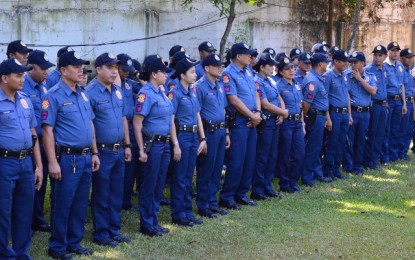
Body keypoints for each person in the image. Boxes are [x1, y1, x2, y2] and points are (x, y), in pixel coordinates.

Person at [42, 51, 99, 259]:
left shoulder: (82, 93)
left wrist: (94, 152)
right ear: (63, 70)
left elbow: (90, 124)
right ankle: (57, 246)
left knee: (80, 203)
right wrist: (52, 162)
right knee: (63, 203)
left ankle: (74, 242)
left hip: (85, 157)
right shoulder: (53, 95)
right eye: (76, 67)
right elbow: (47, 130)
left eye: (81, 66)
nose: (80, 70)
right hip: (67, 159)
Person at [87, 52, 132, 247]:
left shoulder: (118, 90)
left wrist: (127, 144)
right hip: (103, 151)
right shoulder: (89, 92)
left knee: (116, 192)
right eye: (110, 68)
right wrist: (95, 151)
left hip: (119, 150)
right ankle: (102, 233)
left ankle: (114, 229)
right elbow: (90, 125)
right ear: (98, 69)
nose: (115, 72)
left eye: (116, 68)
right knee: (102, 193)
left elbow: (123, 119)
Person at [0, 58, 42, 260]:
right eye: (18, 75)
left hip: (26, 162)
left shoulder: (25, 99)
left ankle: (21, 252)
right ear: (4, 78)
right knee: (3, 211)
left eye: (23, 74)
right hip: (4, 162)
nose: (23, 79)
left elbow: (33, 131)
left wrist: (39, 166)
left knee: (25, 210)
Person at [133, 54, 174, 237]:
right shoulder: (145, 94)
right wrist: (141, 149)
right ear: (153, 74)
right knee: (149, 184)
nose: (166, 74)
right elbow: (137, 122)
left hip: (164, 144)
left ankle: (154, 220)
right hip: (153, 144)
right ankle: (146, 223)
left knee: (158, 184)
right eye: (162, 71)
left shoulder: (161, 92)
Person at [219, 42, 261, 209]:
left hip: (252, 119)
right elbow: (233, 100)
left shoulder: (248, 71)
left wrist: (257, 112)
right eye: (248, 54)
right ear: (238, 56)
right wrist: (252, 115)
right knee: (237, 159)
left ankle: (241, 193)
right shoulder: (228, 74)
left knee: (249, 158)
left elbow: (256, 93)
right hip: (239, 121)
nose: (251, 57)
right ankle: (227, 196)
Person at [168, 58, 207, 226]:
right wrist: (175, 143)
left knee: (189, 175)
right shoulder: (174, 92)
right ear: (182, 75)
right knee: (180, 177)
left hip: (193, 136)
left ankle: (187, 212)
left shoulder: (192, 91)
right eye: (192, 72)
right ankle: (179, 214)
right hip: (182, 135)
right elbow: (171, 119)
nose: (195, 74)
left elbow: (198, 115)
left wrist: (202, 138)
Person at [194, 54, 230, 218]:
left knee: (217, 169)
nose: (220, 68)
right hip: (209, 131)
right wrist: (202, 138)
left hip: (221, 130)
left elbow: (223, 110)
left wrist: (227, 131)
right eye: (216, 65)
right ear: (207, 68)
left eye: (220, 65)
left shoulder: (220, 85)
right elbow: (196, 113)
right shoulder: (199, 87)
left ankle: (212, 203)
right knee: (207, 168)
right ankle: (203, 204)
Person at [23, 50, 55, 233]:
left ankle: (38, 218)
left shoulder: (43, 85)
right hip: (30, 142)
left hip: (45, 141)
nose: (46, 72)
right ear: (31, 68)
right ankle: (27, 221)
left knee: (41, 183)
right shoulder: (23, 87)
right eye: (42, 69)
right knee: (30, 183)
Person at [252, 53, 288, 199]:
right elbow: (265, 103)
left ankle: (267, 185)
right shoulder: (257, 81)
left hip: (275, 120)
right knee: (263, 156)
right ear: (261, 67)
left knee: (272, 155)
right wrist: (283, 112)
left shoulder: (271, 81)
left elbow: (279, 97)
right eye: (270, 65)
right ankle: (258, 189)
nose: (273, 67)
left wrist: (282, 112)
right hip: (266, 122)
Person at [343, 51, 376, 175]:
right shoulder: (346, 75)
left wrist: (360, 79)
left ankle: (358, 165)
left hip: (365, 113)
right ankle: (348, 165)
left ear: (363, 63)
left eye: (355, 62)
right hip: (353, 112)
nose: (352, 65)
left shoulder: (370, 75)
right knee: (349, 140)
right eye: (351, 62)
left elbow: (373, 91)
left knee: (361, 140)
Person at [301, 53, 332, 186]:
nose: (328, 64)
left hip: (320, 115)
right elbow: (306, 104)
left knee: (317, 147)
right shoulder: (312, 81)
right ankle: (307, 177)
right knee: (313, 147)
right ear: (320, 64)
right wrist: (308, 118)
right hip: (314, 117)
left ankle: (316, 173)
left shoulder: (318, 78)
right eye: (326, 62)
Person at [276, 56, 305, 193]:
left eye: (292, 68)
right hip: (286, 123)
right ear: (280, 72)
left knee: (299, 153)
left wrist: (303, 123)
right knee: (285, 154)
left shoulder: (297, 84)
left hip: (298, 122)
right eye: (287, 69)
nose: (291, 71)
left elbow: (300, 106)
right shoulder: (278, 86)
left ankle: (293, 180)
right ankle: (284, 183)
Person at [323, 49, 351, 179]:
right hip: (334, 113)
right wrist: (327, 118)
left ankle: (336, 169)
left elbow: (347, 95)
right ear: (335, 61)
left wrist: (349, 115)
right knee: (332, 142)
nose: (346, 64)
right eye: (343, 61)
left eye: (346, 61)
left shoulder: (345, 75)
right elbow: (325, 98)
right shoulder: (328, 76)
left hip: (344, 114)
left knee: (341, 142)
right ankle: (328, 169)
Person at [364, 45, 389, 169]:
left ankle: (375, 159)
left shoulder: (384, 69)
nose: (377, 57)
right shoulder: (369, 69)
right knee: (372, 133)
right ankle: (368, 160)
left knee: (380, 133)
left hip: (383, 105)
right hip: (374, 105)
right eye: (375, 55)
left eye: (380, 55)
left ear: (385, 56)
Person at [383, 41, 407, 163]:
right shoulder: (384, 66)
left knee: (395, 129)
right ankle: (385, 156)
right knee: (386, 129)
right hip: (388, 101)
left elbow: (402, 85)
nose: (395, 53)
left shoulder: (400, 66)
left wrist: (404, 103)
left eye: (397, 51)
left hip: (398, 101)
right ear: (388, 52)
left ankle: (393, 155)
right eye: (392, 50)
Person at [397, 48, 415, 160]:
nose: (410, 59)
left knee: (409, 129)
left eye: (411, 57)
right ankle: (398, 152)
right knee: (401, 129)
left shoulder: (409, 70)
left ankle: (404, 151)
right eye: (408, 58)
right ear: (402, 58)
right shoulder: (399, 69)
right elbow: (401, 87)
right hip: (402, 101)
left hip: (410, 101)